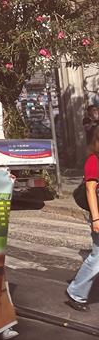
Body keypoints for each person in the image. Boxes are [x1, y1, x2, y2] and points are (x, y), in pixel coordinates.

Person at [67, 130, 99, 312]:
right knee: (97, 257)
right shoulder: (94, 160)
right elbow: (90, 190)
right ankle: (76, 292)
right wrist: (96, 218)